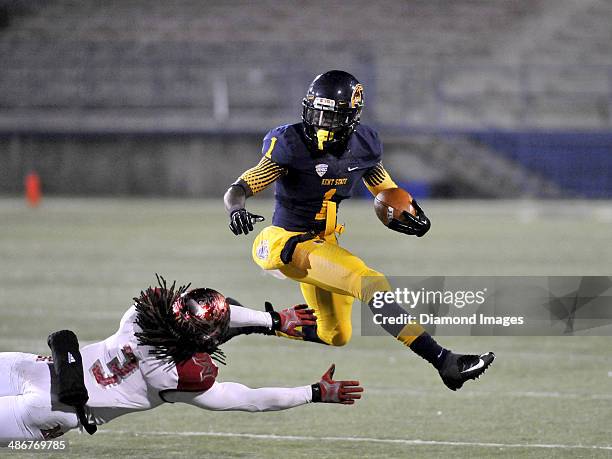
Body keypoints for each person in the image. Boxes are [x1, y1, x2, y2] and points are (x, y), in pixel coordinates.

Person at [223, 70, 494, 391]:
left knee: (334, 334)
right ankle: (444, 360)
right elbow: (244, 184)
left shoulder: (363, 145)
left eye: (330, 115)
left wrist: (406, 211)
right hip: (282, 242)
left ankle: (244, 321)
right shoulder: (290, 143)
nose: (320, 121)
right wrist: (236, 207)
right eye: (316, 111)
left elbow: (385, 189)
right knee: (370, 283)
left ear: (350, 118)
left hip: (323, 243)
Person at [0, 276, 362, 440]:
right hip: (52, 412)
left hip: (35, 367)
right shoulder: (176, 378)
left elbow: (207, 309)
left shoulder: (138, 316)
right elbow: (250, 400)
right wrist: (312, 392)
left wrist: (273, 319)